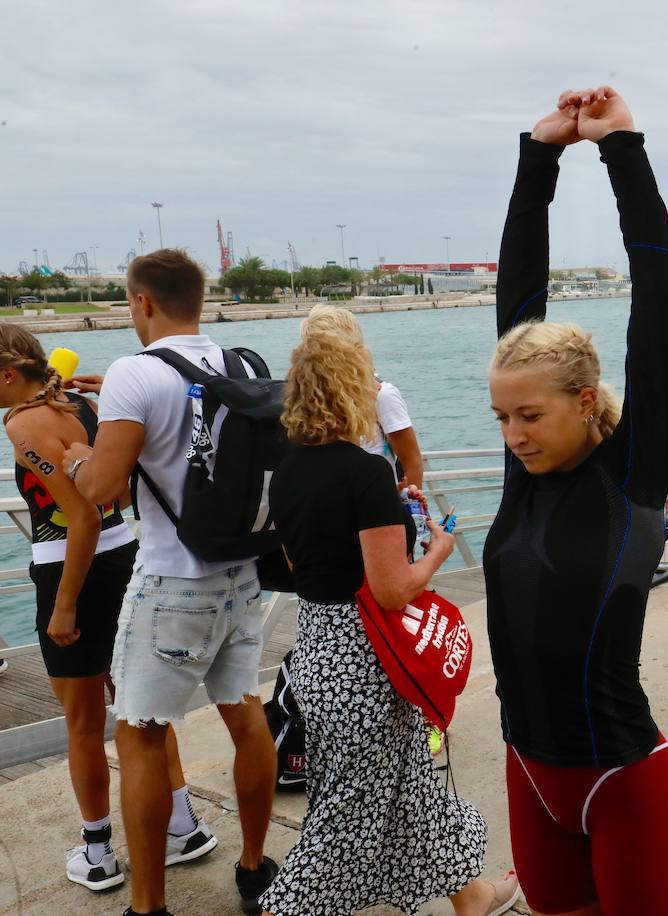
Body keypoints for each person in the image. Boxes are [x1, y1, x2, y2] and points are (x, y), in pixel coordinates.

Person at [484, 87, 668, 916]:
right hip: (526, 768)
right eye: (501, 416)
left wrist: (620, 147)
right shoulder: (520, 477)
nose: (514, 435)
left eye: (529, 415)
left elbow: (657, 302)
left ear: (583, 398)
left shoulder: (632, 474)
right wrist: (538, 157)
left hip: (621, 780)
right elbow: (517, 295)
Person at [259, 306, 516, 916]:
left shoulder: (287, 469)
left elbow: (300, 564)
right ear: (356, 387)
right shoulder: (365, 471)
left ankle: (471, 895)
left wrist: (380, 516)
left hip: (319, 648)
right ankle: (283, 909)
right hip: (369, 661)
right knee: (347, 815)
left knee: (410, 782)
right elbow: (393, 590)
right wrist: (438, 551)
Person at [62, 249, 278, 916]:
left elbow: (103, 488)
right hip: (243, 578)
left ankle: (149, 906)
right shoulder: (240, 362)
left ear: (143, 303)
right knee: (246, 718)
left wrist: (76, 457)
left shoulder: (135, 372)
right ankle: (252, 869)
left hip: (172, 585)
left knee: (140, 735)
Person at [0, 326, 208, 894]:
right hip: (127, 562)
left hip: (73, 569)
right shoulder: (86, 405)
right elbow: (112, 497)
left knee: (84, 724)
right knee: (142, 710)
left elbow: (83, 518)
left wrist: (63, 604)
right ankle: (182, 825)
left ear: (10, 376)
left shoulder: (22, 423)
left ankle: (97, 852)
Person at [363, 376, 426, 488]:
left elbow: (412, 462)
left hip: (381, 499)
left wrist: (412, 503)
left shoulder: (382, 394)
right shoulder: (325, 399)